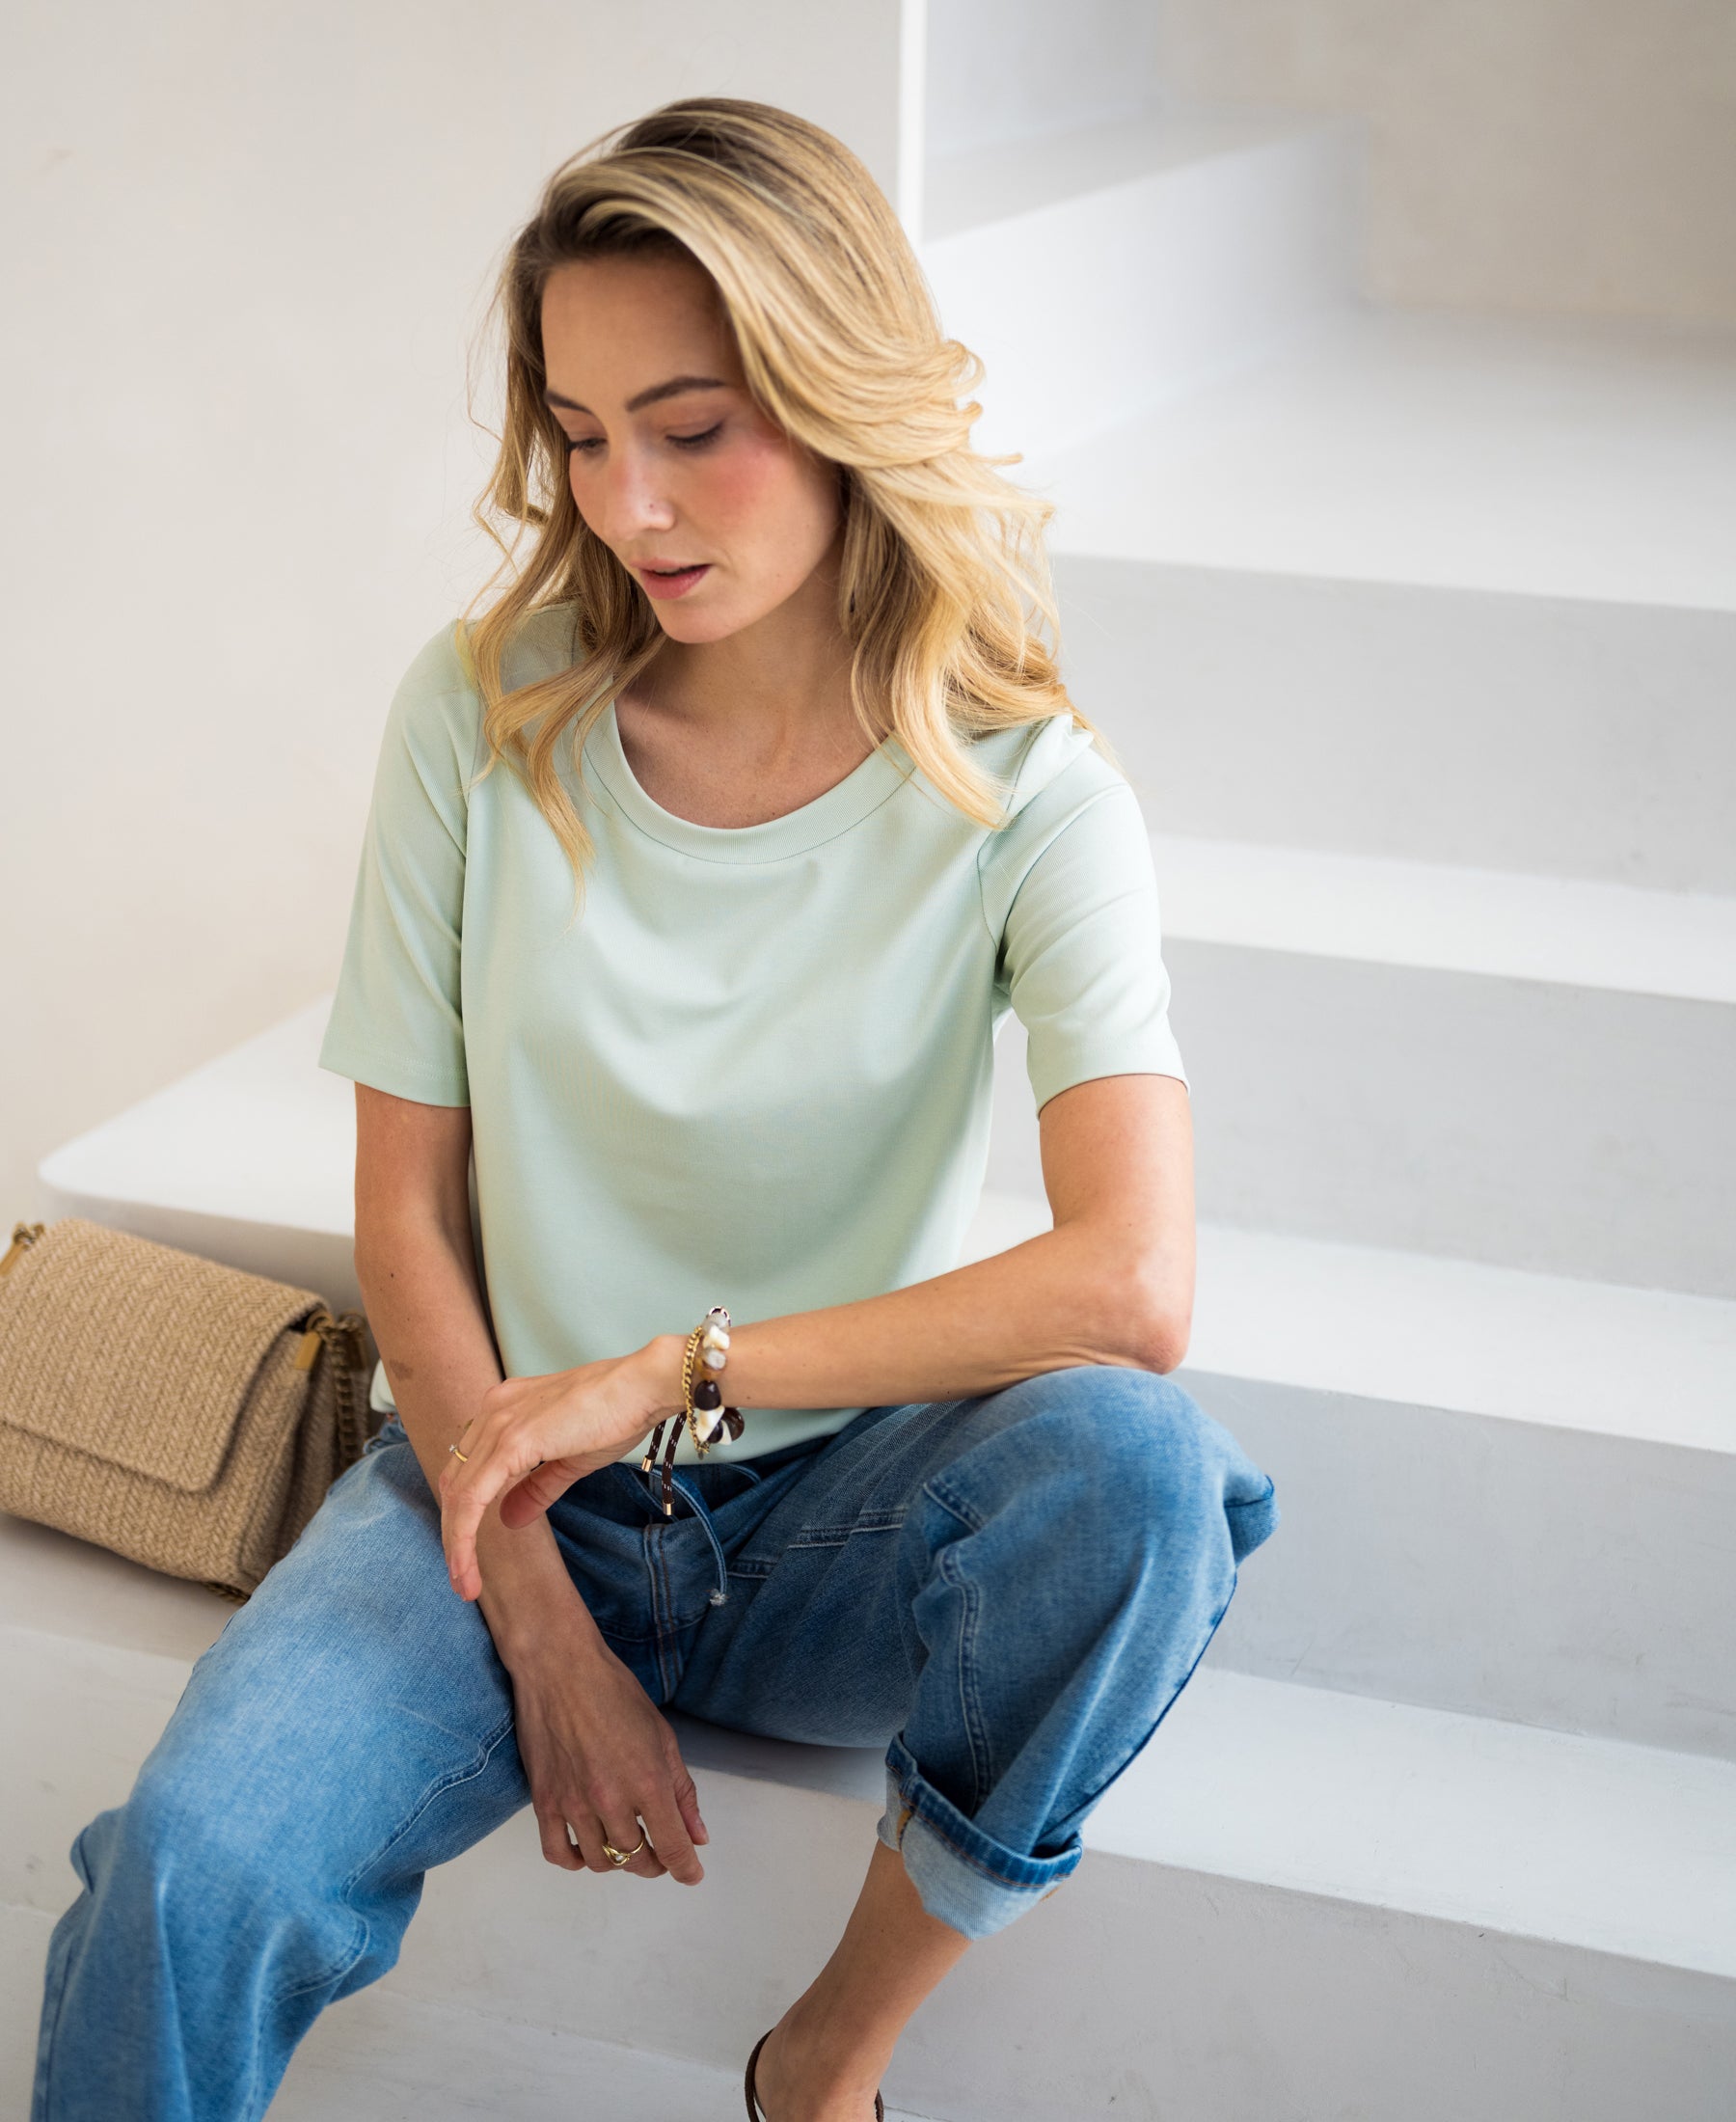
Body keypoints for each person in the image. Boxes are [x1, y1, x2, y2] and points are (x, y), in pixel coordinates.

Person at [31, 95, 1280, 2122]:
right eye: (584, 431)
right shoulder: (483, 709)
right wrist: (539, 1605)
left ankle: (828, 2061)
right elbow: (409, 1225)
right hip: (485, 1487)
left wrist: (667, 1375)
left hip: (826, 1517)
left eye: (693, 425)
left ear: (835, 385)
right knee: (192, 1868)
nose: (630, 500)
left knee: (1142, 1475)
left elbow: (1132, 1281)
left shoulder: (1029, 793)